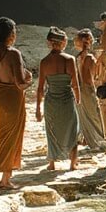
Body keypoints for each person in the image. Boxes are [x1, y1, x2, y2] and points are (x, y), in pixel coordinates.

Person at [0, 17, 32, 189]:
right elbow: (20, 82)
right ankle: (5, 179)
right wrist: (30, 81)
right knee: (11, 137)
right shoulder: (14, 53)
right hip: (12, 97)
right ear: (11, 34)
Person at [36, 27, 81, 172]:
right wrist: (79, 99)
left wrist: (38, 107)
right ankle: (73, 163)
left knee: (51, 130)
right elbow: (75, 83)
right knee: (73, 129)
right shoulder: (69, 60)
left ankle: (52, 163)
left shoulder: (44, 62)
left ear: (49, 43)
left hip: (51, 101)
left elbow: (40, 87)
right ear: (63, 43)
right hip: (67, 100)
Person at [74, 28, 106, 151]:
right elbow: (89, 78)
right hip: (87, 88)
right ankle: (97, 141)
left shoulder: (77, 57)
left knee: (84, 115)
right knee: (94, 115)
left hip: (78, 88)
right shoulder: (89, 58)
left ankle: (87, 139)